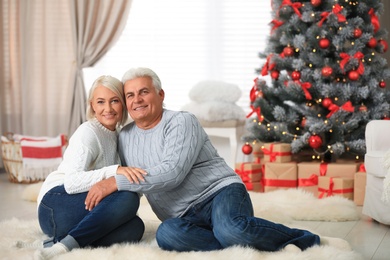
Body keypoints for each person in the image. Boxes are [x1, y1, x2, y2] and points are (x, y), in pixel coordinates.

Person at [91, 67, 351, 253]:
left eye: (144, 92)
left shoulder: (182, 121)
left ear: (160, 95)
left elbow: (172, 173)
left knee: (231, 229)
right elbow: (112, 169)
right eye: (130, 95)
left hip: (218, 193)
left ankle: (307, 240)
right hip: (180, 214)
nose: (137, 100)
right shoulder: (124, 136)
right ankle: (246, 244)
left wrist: (116, 182)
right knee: (167, 235)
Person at [17, 75, 146, 260]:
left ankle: (58, 243)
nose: (108, 109)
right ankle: (63, 247)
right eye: (101, 102)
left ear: (123, 104)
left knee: (134, 227)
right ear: (92, 105)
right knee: (128, 198)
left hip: (81, 209)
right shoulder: (88, 132)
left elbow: (126, 181)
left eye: (115, 101)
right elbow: (71, 183)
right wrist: (113, 171)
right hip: (53, 205)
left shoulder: (120, 134)